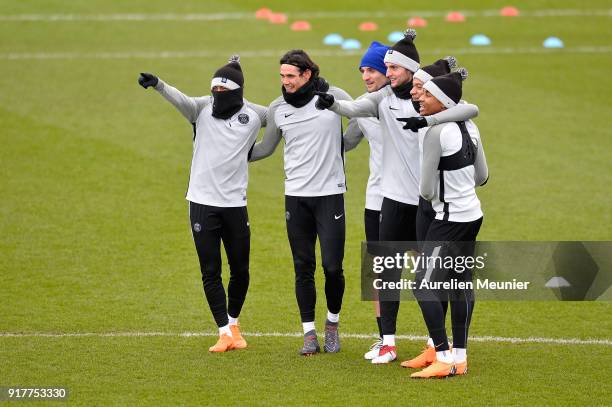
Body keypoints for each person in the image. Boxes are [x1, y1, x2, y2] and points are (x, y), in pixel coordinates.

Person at [315, 30, 479, 364]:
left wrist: (432, 115)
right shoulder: (383, 99)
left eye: (392, 68)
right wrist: (333, 103)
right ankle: (387, 341)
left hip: (427, 205)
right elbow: (355, 106)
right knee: (386, 269)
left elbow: (467, 108)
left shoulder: (428, 101)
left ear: (412, 72)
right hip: (391, 200)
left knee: (435, 275)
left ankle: (438, 346)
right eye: (384, 68)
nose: (387, 74)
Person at [138, 56, 267, 353]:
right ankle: (223, 331)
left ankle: (234, 324)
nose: (217, 98)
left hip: (235, 204)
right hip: (201, 203)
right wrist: (157, 84)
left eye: (223, 93)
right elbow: (178, 98)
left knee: (240, 270)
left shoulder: (253, 115)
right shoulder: (201, 108)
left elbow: (282, 116)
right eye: (214, 91)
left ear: (237, 93)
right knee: (210, 270)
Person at [249, 50, 352, 356]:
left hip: (330, 195)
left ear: (307, 74)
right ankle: (309, 333)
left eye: (291, 76)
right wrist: (229, 154)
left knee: (332, 267)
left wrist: (345, 144)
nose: (286, 82)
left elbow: (361, 116)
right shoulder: (278, 108)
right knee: (302, 266)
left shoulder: (333, 96)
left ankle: (332, 325)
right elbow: (265, 148)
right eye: (282, 76)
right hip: (296, 197)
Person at [410, 69, 489, 378]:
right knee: (460, 284)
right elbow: (482, 176)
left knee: (423, 285)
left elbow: (426, 191)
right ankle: (460, 355)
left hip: (448, 218)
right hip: (473, 215)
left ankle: (442, 356)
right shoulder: (471, 127)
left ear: (443, 102)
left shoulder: (435, 133)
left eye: (427, 95)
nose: (421, 99)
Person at [341, 41, 390, 360]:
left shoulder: (416, 101)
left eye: (371, 70)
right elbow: (347, 141)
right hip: (376, 199)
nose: (366, 76)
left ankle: (434, 340)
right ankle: (386, 338)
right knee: (379, 270)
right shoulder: (361, 105)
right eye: (362, 71)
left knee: (425, 266)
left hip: (415, 198)